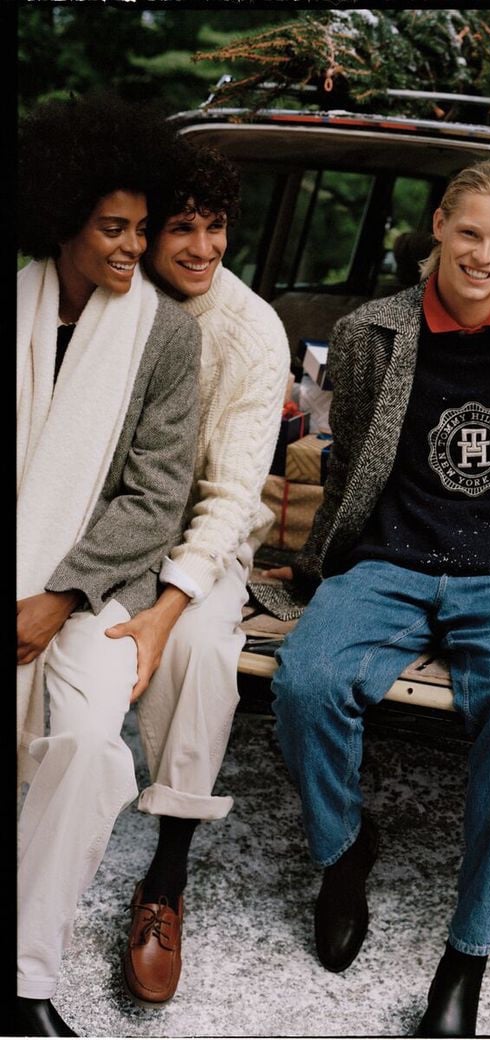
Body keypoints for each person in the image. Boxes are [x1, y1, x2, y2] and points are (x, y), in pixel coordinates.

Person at [265, 160, 490, 1036]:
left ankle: (468, 953)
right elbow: (347, 465)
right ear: (438, 230)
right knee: (304, 680)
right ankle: (345, 851)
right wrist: (312, 562)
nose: (484, 255)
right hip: (389, 562)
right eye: (470, 234)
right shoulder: (368, 332)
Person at [16, 95, 202, 1037]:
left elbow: (155, 498)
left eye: (142, 226)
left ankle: (22, 975)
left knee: (92, 750)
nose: (135, 247)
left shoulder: (167, 337)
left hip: (94, 593)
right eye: (112, 228)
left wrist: (54, 596)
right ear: (63, 219)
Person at [104, 142, 289, 1007]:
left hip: (207, 541)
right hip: (104, 530)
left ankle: (166, 881)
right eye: (182, 228)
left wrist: (173, 601)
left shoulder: (252, 331)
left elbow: (230, 496)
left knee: (204, 653)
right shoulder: (110, 299)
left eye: (216, 228)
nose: (204, 247)